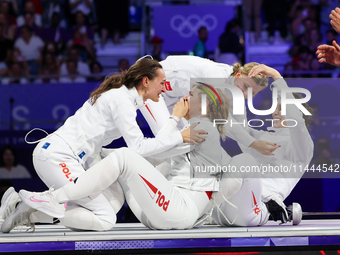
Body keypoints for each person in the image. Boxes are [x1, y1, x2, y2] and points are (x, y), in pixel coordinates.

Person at [0, 58, 206, 232]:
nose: (164, 88)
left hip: (71, 156)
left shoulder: (123, 97)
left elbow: (154, 146)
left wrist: (176, 125)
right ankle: (24, 206)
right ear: (145, 81)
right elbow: (138, 148)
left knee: (113, 201)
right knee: (105, 218)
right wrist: (179, 133)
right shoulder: (122, 100)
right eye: (161, 83)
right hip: (58, 156)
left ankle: (27, 209)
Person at [212, 66, 314, 226]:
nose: (275, 112)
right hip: (224, 209)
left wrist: (276, 76)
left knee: (244, 161)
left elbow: (297, 121)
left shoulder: (302, 148)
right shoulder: (261, 138)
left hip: (253, 209)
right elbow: (239, 126)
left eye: (282, 109)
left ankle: (269, 199)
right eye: (276, 107)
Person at [140, 55, 280, 158]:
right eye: (245, 86)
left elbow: (242, 129)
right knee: (169, 142)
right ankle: (135, 164)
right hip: (151, 88)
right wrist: (254, 144)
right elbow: (221, 118)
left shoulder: (236, 94)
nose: (245, 93)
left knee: (190, 143)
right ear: (238, 74)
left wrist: (260, 150)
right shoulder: (215, 75)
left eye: (252, 93)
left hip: (177, 99)